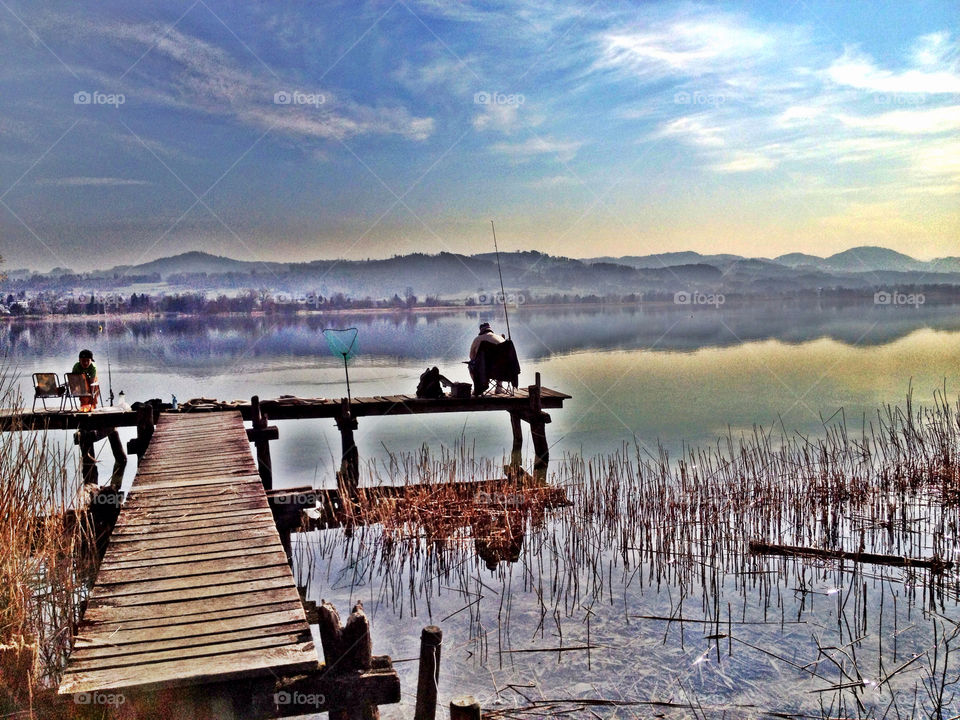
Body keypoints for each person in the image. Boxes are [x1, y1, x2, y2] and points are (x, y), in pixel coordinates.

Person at [469, 322, 505, 395]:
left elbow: (471, 357)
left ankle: (479, 388)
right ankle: (499, 387)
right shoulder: (500, 338)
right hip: (502, 370)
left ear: (481, 331)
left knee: (471, 364)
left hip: (484, 370)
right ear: (490, 330)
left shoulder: (477, 339)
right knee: (501, 362)